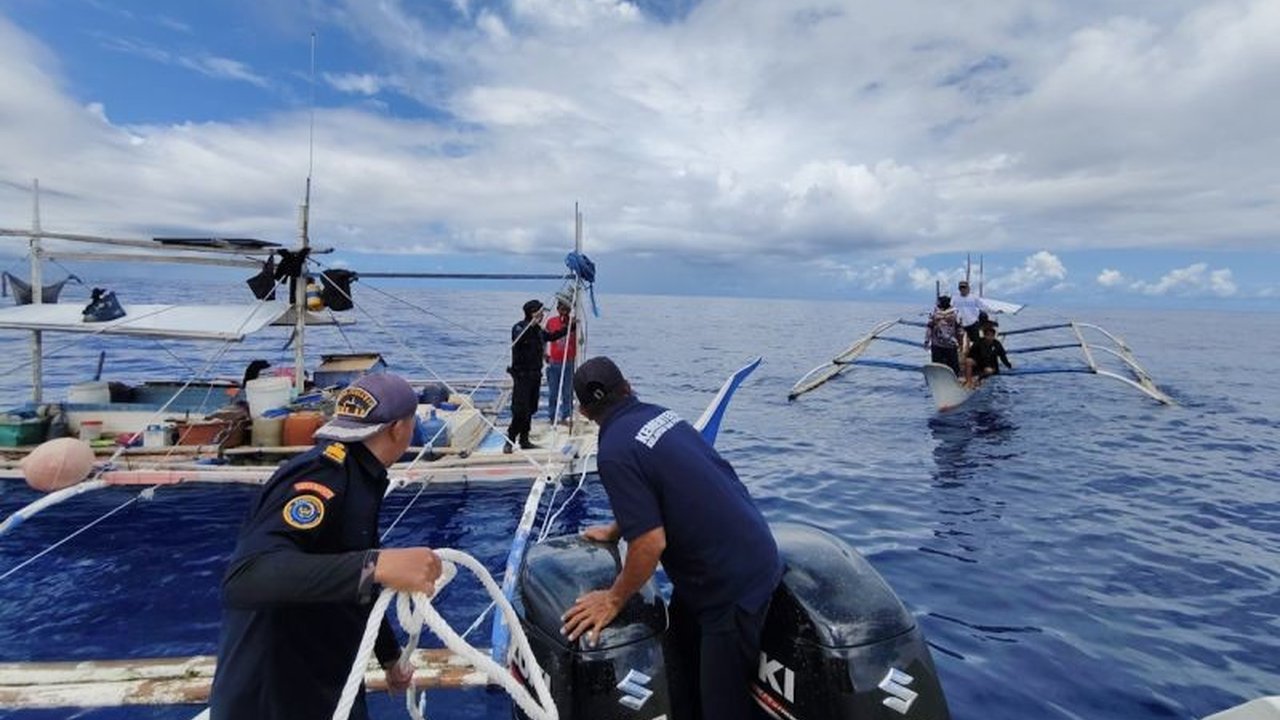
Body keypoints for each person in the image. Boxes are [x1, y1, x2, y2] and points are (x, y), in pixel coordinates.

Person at [209, 373, 443, 720]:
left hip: (322, 681)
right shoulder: (323, 476)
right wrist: (376, 565)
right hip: (274, 696)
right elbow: (247, 577)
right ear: (399, 429)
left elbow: (350, 573)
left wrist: (390, 656)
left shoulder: (359, 475)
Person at [561, 357, 782, 720]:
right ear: (628, 387)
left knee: (721, 708)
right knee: (680, 662)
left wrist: (613, 600)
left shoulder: (614, 450)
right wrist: (619, 528)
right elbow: (663, 485)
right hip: (751, 552)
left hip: (730, 589)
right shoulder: (661, 415)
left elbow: (650, 544)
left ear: (584, 412)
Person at [506, 299, 570, 453]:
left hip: (535, 374)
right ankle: (510, 439)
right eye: (540, 312)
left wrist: (569, 328)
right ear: (532, 313)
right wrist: (532, 323)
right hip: (522, 375)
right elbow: (519, 338)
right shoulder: (519, 327)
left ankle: (524, 439)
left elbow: (551, 337)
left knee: (531, 408)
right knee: (520, 409)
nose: (542, 315)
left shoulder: (539, 331)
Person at [544, 295, 578, 425]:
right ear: (558, 309)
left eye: (567, 310)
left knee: (567, 391)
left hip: (569, 362)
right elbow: (544, 338)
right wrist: (544, 354)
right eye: (562, 309)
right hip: (554, 361)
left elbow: (580, 341)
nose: (564, 312)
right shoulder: (551, 322)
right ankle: (552, 416)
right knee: (553, 391)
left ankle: (566, 416)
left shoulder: (574, 323)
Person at [963, 321, 1013, 389]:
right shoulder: (979, 342)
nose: (989, 337)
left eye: (991, 336)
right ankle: (969, 382)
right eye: (988, 335)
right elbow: (970, 354)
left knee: (988, 370)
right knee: (968, 361)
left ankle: (978, 379)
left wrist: (1009, 366)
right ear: (985, 335)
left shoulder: (997, 344)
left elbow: (1003, 356)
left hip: (991, 365)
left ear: (994, 336)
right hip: (980, 363)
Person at [924, 294, 963, 375]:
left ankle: (951, 378)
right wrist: (960, 343)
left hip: (945, 345)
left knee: (950, 366)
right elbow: (960, 330)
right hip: (944, 344)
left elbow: (929, 328)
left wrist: (927, 341)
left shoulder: (935, 313)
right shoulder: (955, 313)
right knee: (951, 367)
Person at [953, 279, 993, 346]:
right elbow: (951, 308)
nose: (963, 289)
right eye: (961, 288)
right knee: (961, 344)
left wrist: (991, 311)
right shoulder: (955, 298)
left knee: (975, 343)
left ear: (968, 288)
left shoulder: (974, 297)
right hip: (960, 325)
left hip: (973, 324)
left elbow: (983, 306)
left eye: (964, 287)